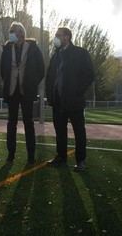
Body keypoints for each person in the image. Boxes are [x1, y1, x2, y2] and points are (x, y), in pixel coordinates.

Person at [45, 27, 94, 171]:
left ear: (67, 37)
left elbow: (89, 75)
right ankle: (61, 157)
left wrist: (77, 91)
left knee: (79, 132)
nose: (56, 38)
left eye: (58, 35)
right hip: (58, 101)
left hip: (74, 101)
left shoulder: (80, 53)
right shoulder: (55, 56)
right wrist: (50, 96)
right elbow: (50, 78)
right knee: (60, 131)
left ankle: (81, 161)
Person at [0, 22, 45, 164]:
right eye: (11, 31)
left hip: (26, 91)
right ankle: (11, 154)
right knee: (11, 123)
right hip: (12, 91)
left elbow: (41, 69)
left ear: (21, 33)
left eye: (14, 31)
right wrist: (7, 82)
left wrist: (31, 83)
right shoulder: (7, 48)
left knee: (28, 123)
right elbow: (2, 68)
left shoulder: (33, 47)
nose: (12, 33)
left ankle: (31, 155)